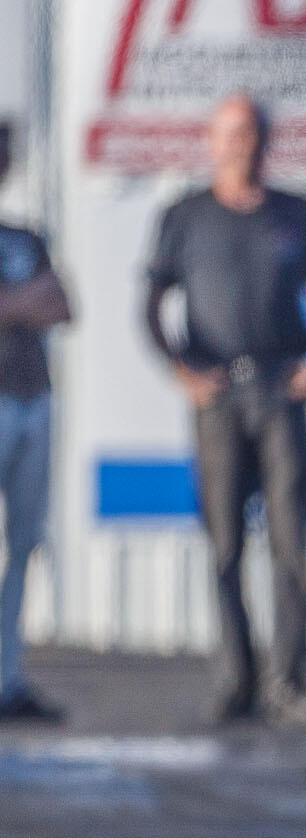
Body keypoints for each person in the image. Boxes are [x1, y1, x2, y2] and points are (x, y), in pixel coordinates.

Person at [143, 94, 306, 728]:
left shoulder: (296, 212)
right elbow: (150, 303)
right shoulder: (185, 215)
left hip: (280, 393)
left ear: (265, 142)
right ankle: (238, 679)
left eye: (251, 135)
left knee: (289, 544)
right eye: (230, 135)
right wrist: (181, 370)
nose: (241, 146)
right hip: (220, 397)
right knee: (225, 543)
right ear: (212, 141)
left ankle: (289, 682)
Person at [0, 122, 72, 722]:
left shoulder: (25, 237)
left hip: (31, 399)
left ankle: (8, 677)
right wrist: (24, 302)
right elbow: (37, 302)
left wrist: (15, 304)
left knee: (21, 544)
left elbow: (64, 305)